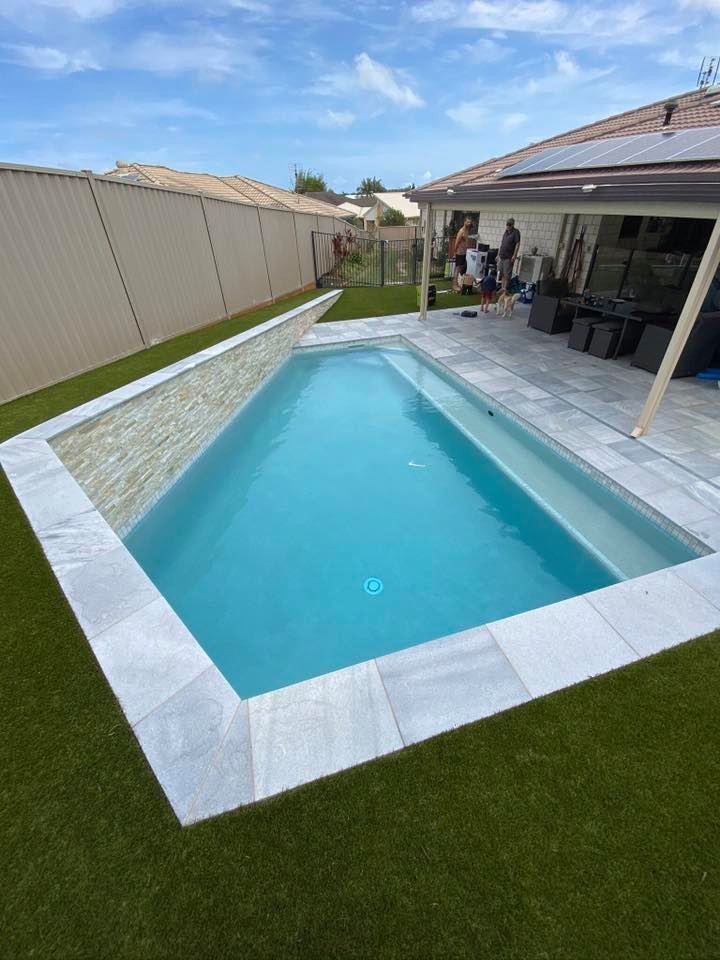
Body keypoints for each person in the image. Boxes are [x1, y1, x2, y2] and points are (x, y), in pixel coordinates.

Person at [498, 217, 521, 291]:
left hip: (508, 257)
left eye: (509, 224)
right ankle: (502, 288)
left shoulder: (516, 232)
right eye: (507, 224)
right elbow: (502, 243)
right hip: (502, 256)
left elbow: (517, 244)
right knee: (501, 273)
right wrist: (498, 254)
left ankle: (505, 289)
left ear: (513, 225)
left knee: (507, 274)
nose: (508, 226)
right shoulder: (506, 232)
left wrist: (514, 255)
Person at [453, 218, 473, 292]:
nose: (469, 224)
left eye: (470, 222)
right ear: (464, 222)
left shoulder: (467, 231)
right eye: (467, 222)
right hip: (459, 253)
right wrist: (455, 252)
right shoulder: (461, 231)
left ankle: (457, 283)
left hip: (464, 253)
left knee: (461, 268)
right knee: (457, 269)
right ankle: (454, 285)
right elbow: (456, 242)